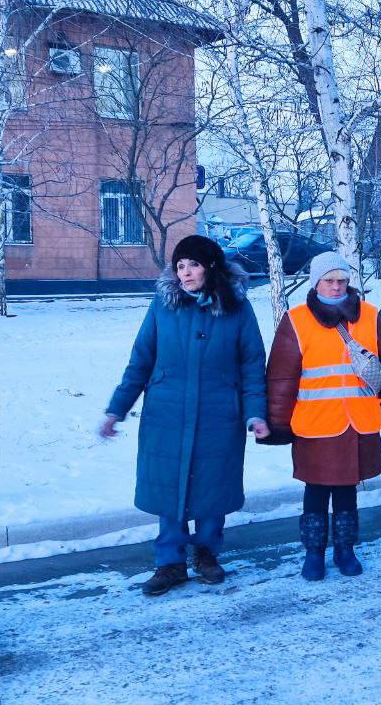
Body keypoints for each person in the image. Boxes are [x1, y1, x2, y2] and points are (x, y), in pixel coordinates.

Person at [100, 235, 268, 596]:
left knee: (212, 484)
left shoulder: (237, 308)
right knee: (169, 485)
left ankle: (207, 554)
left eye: (193, 265)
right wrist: (117, 408)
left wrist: (255, 413)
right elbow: (140, 360)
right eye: (179, 266)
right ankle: (170, 562)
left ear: (211, 267)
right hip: (167, 413)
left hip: (219, 413)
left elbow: (253, 365)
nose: (185, 273)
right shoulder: (163, 305)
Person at [264, 251, 381, 581]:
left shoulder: (369, 315)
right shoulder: (296, 319)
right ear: (315, 283)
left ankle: (345, 549)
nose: (335, 286)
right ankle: (314, 553)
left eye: (342, 280)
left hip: (358, 421)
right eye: (329, 281)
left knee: (347, 490)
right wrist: (276, 423)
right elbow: (281, 377)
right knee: (316, 491)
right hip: (315, 423)